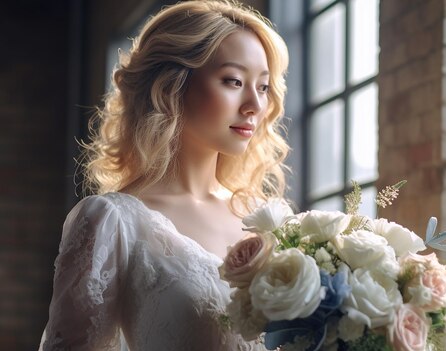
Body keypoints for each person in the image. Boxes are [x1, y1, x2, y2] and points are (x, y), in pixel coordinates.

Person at [38, 1, 290, 350]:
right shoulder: (113, 222)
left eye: (263, 87)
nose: (255, 105)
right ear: (173, 85)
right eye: (233, 81)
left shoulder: (272, 220)